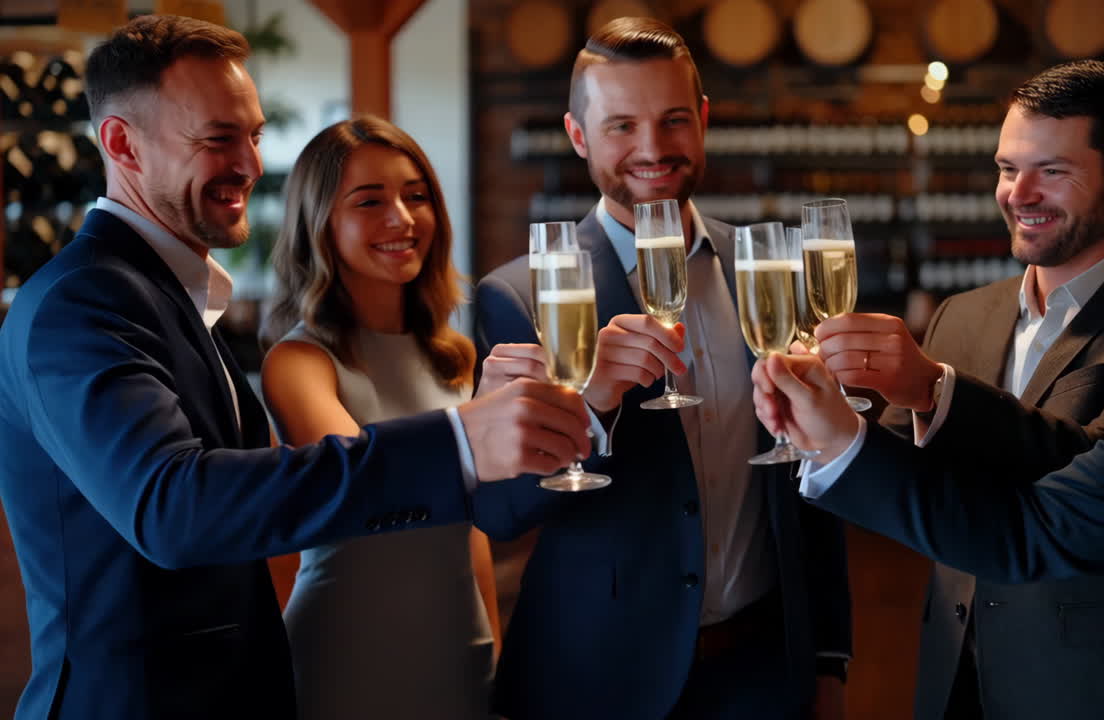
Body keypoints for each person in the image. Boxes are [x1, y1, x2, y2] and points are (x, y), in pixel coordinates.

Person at [0, 15, 588, 720]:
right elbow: (174, 510)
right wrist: (462, 441)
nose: (251, 162)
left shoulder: (171, 297)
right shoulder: (81, 301)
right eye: (219, 138)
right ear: (123, 144)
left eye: (251, 134)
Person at [755, 47, 1104, 719]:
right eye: (1007, 169)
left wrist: (932, 389)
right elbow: (1030, 524)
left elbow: (1071, 461)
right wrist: (832, 433)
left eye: (1051, 171)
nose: (1018, 194)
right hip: (954, 674)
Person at [473, 17, 851, 720]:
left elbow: (807, 477)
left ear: (702, 121)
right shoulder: (521, 296)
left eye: (674, 120)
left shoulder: (766, 272)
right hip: (597, 682)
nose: (652, 149)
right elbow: (501, 512)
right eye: (621, 126)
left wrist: (828, 659)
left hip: (763, 676)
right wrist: (589, 405)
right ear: (578, 136)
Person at [258, 116, 500, 719]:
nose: (403, 218)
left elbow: (473, 529)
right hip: (345, 657)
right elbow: (367, 485)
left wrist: (495, 642)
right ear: (320, 225)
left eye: (416, 196)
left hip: (459, 650)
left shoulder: (454, 355)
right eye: (370, 201)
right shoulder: (299, 361)